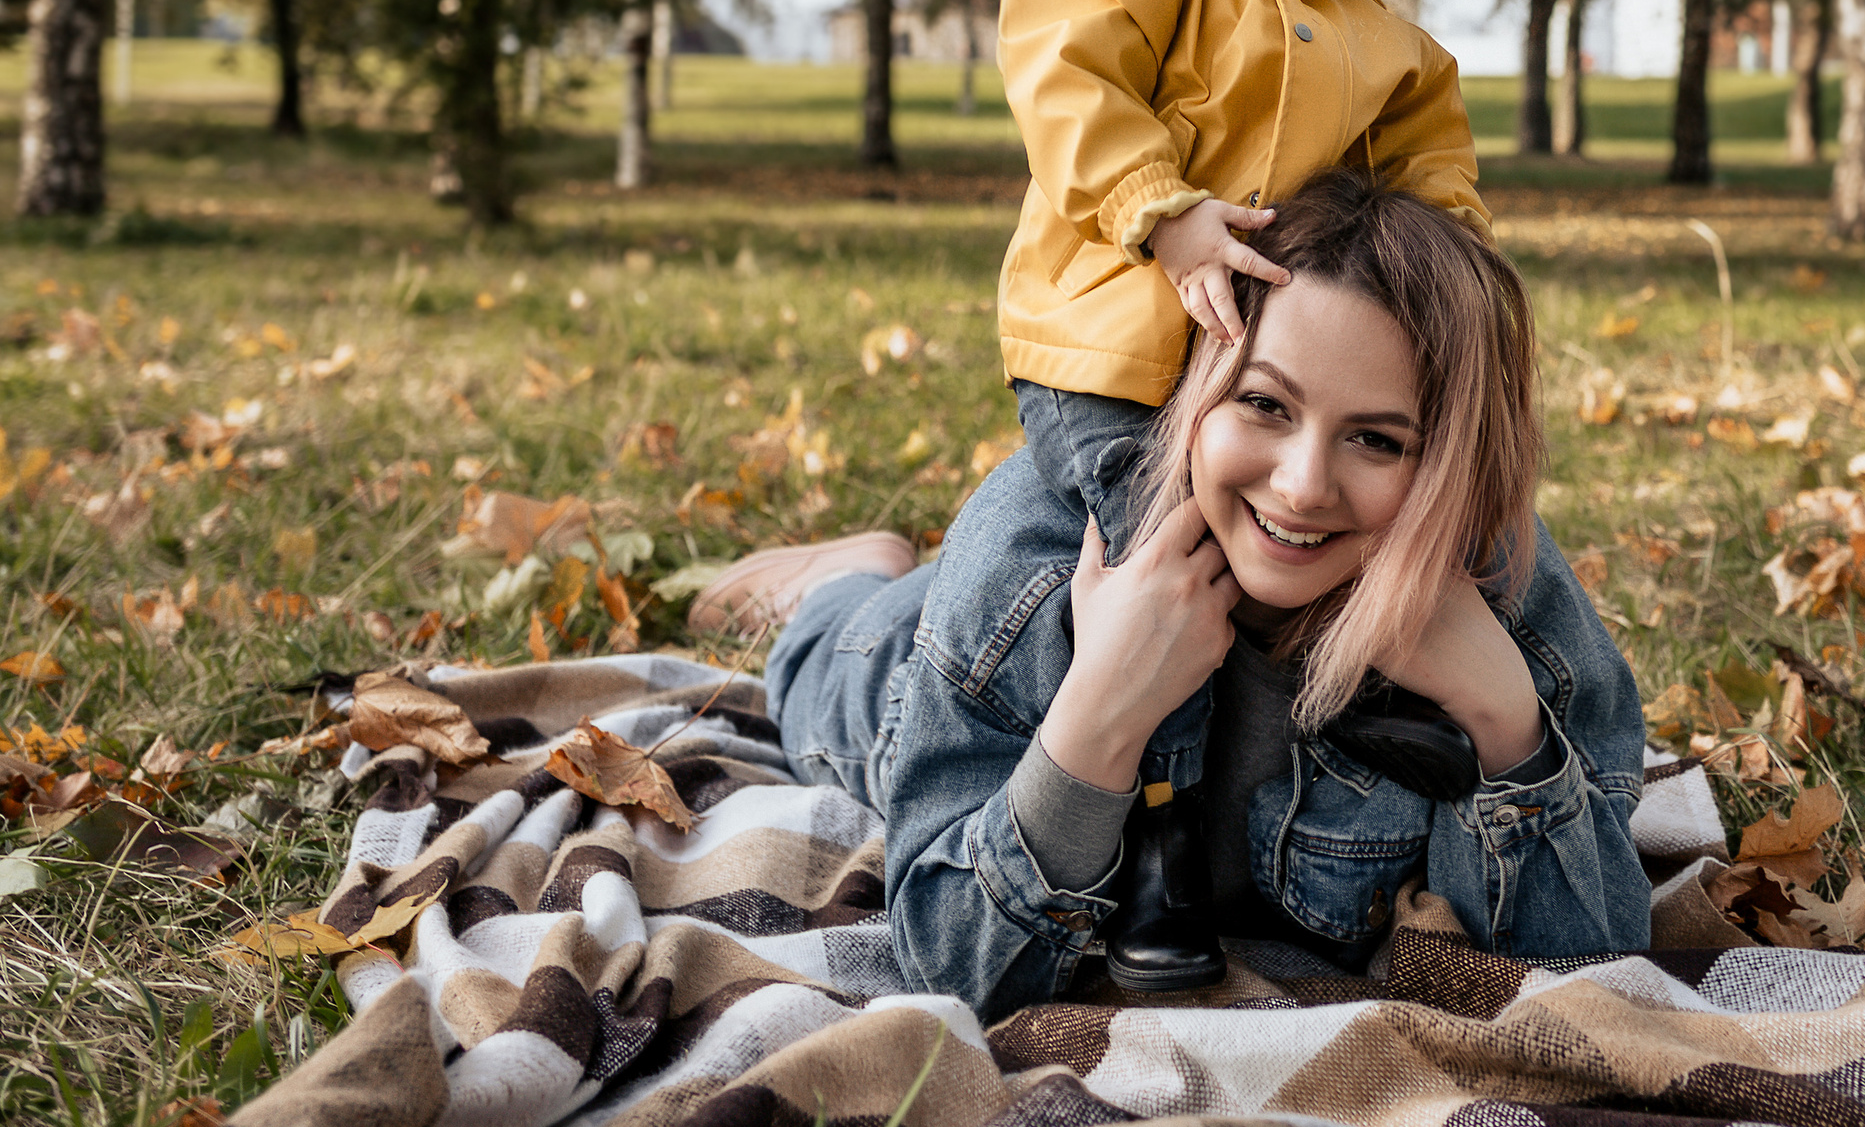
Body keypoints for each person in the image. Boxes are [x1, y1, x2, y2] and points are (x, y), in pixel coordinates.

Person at [693, 172, 1651, 1021]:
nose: (1303, 486)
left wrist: (1507, 723)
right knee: (828, 656)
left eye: (1377, 440)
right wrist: (1100, 712)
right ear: (1193, 387)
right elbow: (953, 962)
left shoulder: (1500, 585)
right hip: (900, 674)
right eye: (1264, 404)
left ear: (1444, 462)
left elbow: (1592, 972)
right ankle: (844, 576)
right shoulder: (1034, 555)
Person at [990, 0, 1492, 979]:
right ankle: (1155, 829)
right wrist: (1160, 206)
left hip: (1271, 369)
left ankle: (1357, 691)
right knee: (1167, 558)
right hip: (1117, 351)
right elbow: (1060, 64)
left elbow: (1428, 137)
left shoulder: (1358, 17)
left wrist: (1444, 250)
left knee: (1339, 504)